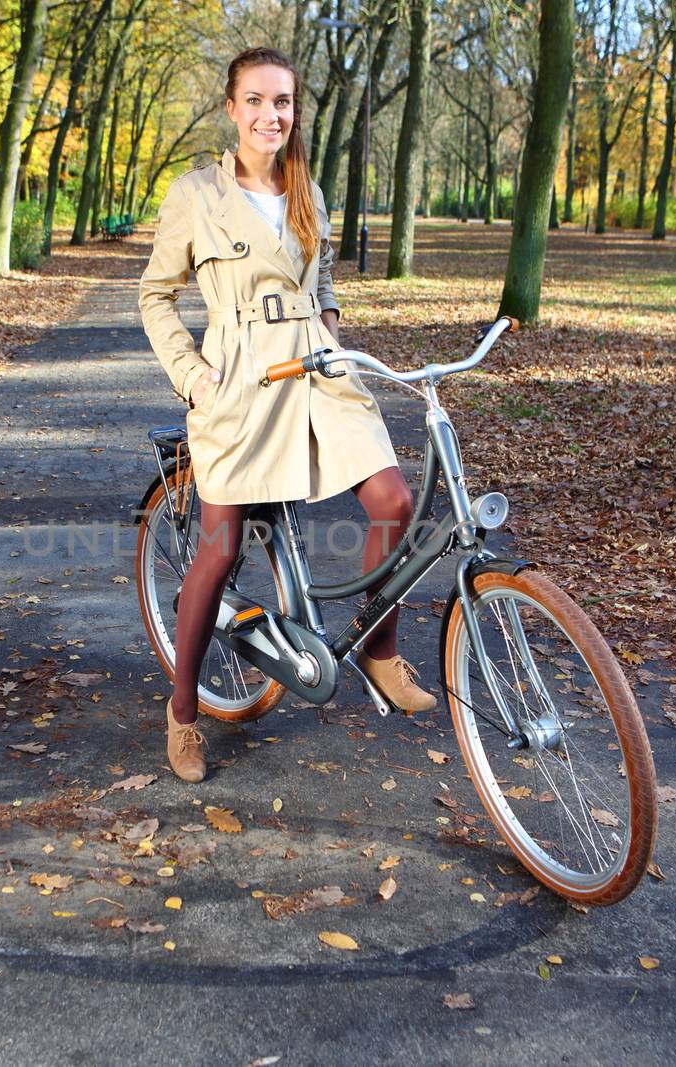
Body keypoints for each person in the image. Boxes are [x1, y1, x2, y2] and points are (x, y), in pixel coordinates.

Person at [137, 46, 436, 784]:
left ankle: (378, 649)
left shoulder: (307, 186)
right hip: (239, 375)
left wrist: (330, 325)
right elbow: (154, 294)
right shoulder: (196, 195)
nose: (272, 115)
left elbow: (323, 269)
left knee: (395, 499)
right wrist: (193, 374)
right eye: (258, 101)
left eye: (284, 103)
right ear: (232, 110)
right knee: (223, 544)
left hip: (316, 366)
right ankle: (182, 712)